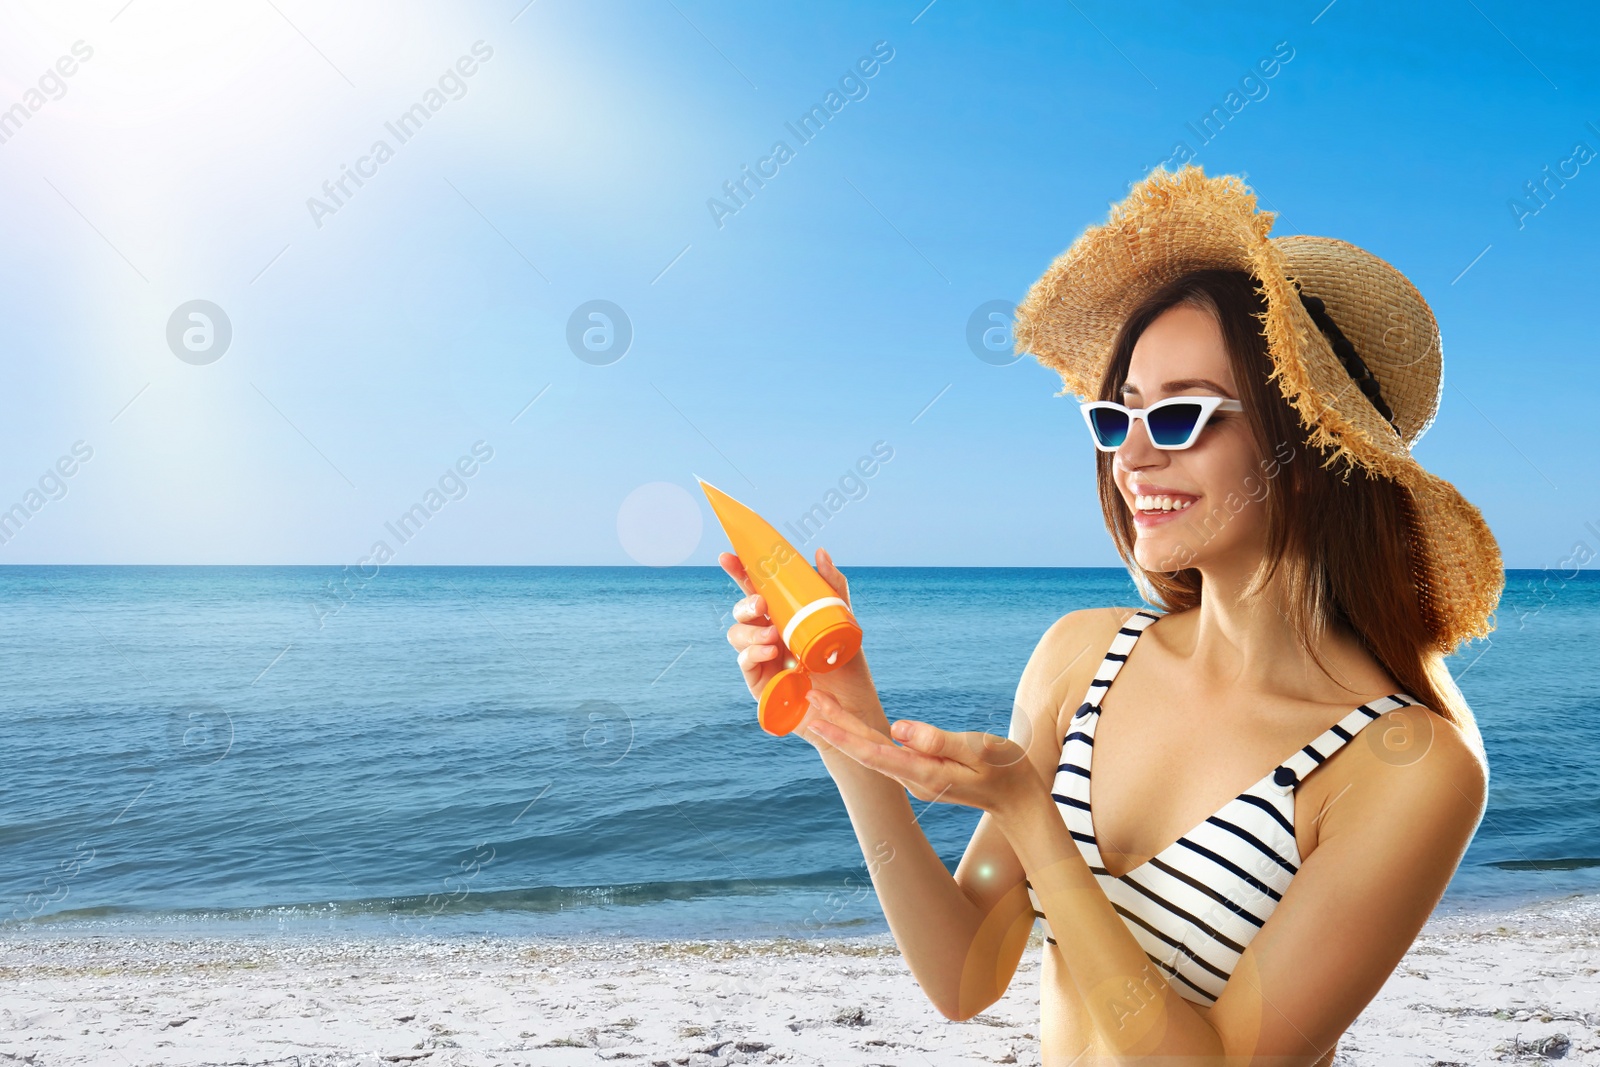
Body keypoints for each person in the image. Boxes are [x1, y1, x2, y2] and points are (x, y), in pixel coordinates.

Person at [719, 164, 1503, 1065]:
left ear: (1307, 447)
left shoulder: (1405, 764)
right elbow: (963, 973)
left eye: (1179, 417)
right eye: (1116, 416)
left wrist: (1029, 812)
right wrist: (842, 720)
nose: (1131, 458)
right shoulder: (1081, 658)